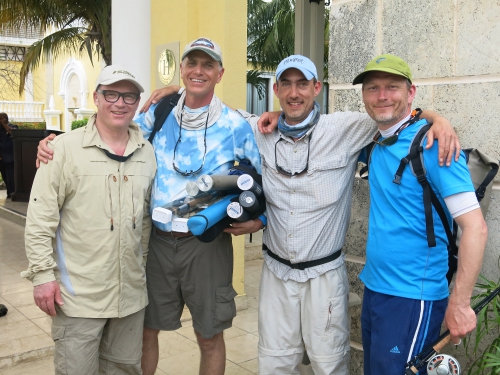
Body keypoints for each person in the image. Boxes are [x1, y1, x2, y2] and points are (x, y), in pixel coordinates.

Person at [137, 55, 459, 375]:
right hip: (276, 273)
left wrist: (437, 120)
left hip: (324, 276)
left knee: (329, 364)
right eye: (287, 84)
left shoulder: (347, 128)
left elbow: (395, 115)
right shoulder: (256, 130)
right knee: (274, 363)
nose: (294, 93)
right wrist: (175, 91)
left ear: (316, 87)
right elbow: (212, 106)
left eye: (303, 84)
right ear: (275, 89)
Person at [353, 54, 487, 375]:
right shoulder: (376, 141)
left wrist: (460, 303)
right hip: (375, 290)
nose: (382, 96)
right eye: (373, 88)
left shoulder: (435, 147)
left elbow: (475, 228)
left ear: (410, 92)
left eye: (392, 87)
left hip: (414, 298)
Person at [23, 65, 156, 374]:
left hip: (130, 298)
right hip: (78, 298)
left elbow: (145, 220)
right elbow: (40, 218)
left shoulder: (147, 152)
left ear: (137, 102)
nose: (120, 103)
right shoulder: (62, 149)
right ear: (96, 97)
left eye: (129, 96)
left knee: (124, 370)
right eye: (111, 94)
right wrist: (42, 277)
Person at [0, 112, 18, 198]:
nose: (1, 120)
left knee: (10, 176)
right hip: (1, 158)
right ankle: (9, 192)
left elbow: (12, 132)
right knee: (5, 177)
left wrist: (4, 124)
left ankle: (13, 192)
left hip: (10, 157)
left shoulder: (13, 126)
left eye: (2, 118)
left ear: (6, 118)